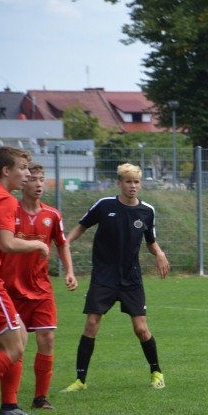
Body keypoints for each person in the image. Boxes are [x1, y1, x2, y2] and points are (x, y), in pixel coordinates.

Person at [62, 163, 170, 392]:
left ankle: (156, 372)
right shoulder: (105, 205)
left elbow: (150, 241)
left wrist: (159, 253)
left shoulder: (147, 211)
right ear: (119, 183)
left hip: (131, 278)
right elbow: (81, 226)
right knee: (92, 323)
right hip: (104, 276)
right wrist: (65, 244)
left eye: (136, 182)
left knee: (141, 328)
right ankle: (80, 380)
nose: (133, 186)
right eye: (128, 182)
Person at [1, 164, 78, 411]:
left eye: (42, 180)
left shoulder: (52, 215)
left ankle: (40, 398)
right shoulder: (9, 210)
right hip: (10, 288)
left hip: (41, 288)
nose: (39, 184)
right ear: (23, 183)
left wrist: (69, 271)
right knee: (15, 345)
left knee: (47, 337)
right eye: (33, 179)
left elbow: (62, 244)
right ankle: (10, 401)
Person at [0, 147, 50, 415]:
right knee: (14, 347)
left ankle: (10, 407)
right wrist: (38, 244)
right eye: (23, 168)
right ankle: (9, 406)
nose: (28, 174)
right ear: (6, 170)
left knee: (16, 340)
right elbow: (8, 244)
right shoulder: (4, 199)